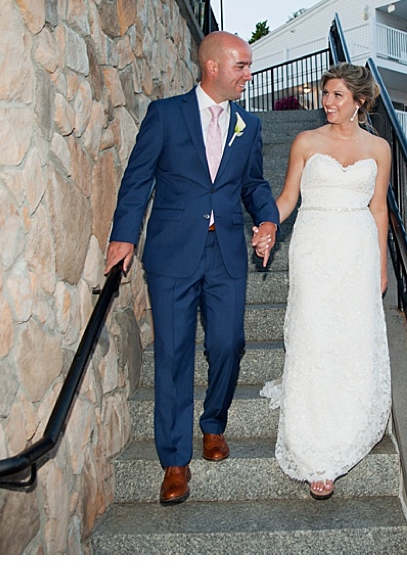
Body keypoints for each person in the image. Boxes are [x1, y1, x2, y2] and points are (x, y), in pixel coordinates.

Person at [105, 31, 279, 505]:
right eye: (241, 65)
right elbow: (138, 178)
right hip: (172, 254)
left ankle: (214, 422)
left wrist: (267, 218)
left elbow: (254, 184)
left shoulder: (249, 124)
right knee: (174, 353)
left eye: (248, 65)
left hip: (225, 252)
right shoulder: (165, 115)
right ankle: (175, 460)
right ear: (213, 67)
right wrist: (123, 236)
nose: (248, 73)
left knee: (228, 343)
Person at [255, 63, 392, 500]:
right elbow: (288, 198)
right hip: (313, 247)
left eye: (336, 95)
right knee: (314, 335)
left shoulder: (380, 148)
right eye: (325, 93)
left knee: (349, 337)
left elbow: (378, 210)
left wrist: (381, 262)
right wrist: (267, 226)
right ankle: (314, 447)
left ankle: (345, 425)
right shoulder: (306, 141)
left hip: (356, 249)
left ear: (358, 101)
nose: (327, 102)